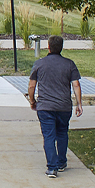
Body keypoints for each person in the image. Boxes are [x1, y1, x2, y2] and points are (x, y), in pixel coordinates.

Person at [26, 34, 84, 178]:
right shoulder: (69, 64)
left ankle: (52, 168)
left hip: (45, 106)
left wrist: (32, 101)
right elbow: (76, 84)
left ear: (49, 47)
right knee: (62, 133)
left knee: (49, 136)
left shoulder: (39, 64)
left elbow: (31, 86)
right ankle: (61, 162)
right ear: (61, 48)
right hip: (64, 106)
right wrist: (79, 103)